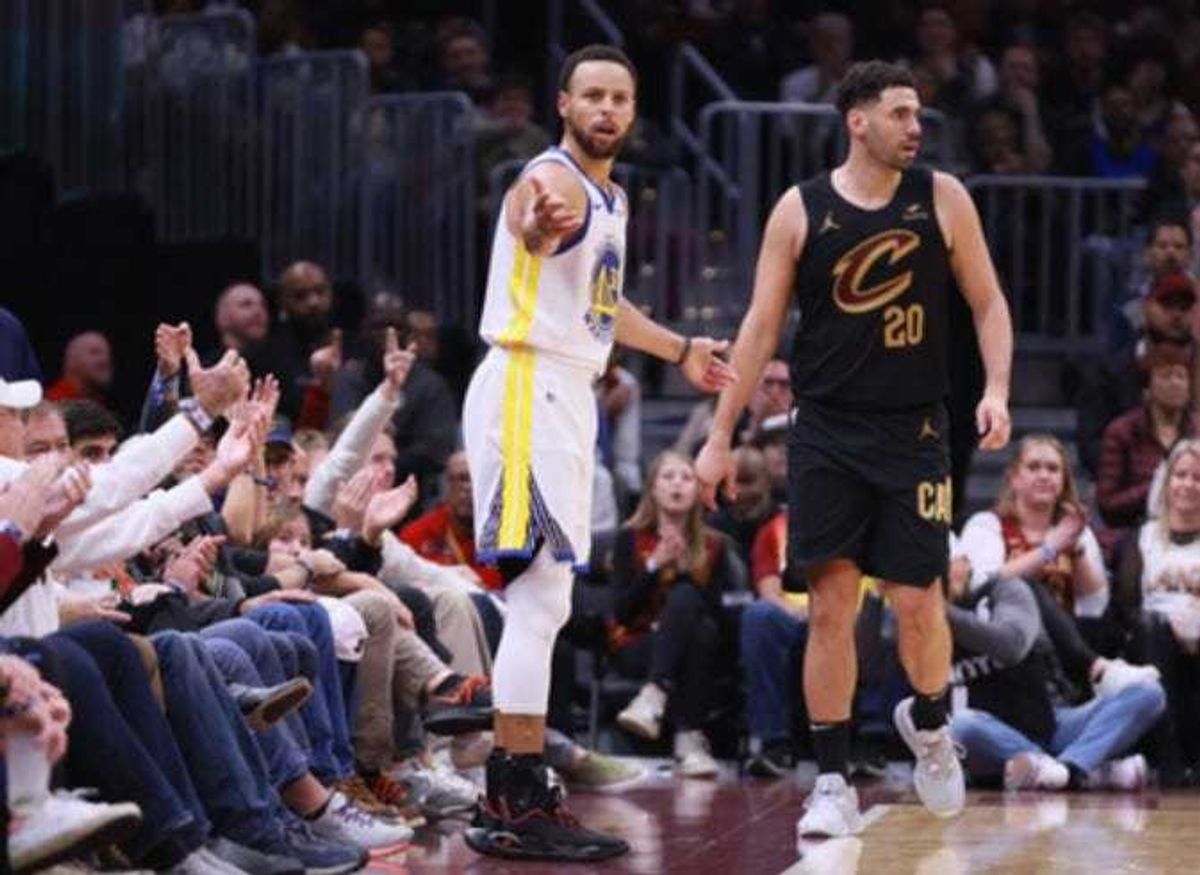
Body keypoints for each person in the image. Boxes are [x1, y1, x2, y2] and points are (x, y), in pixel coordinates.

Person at [695, 60, 1014, 839]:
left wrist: (997, 387)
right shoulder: (799, 210)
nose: (916, 128)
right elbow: (759, 329)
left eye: (920, 117)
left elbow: (988, 300)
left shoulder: (942, 197)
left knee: (916, 603)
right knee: (833, 606)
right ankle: (832, 779)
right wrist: (718, 436)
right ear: (858, 121)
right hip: (827, 430)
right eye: (902, 114)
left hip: (916, 429)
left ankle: (931, 723)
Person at [461, 44, 735, 862]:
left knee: (545, 602)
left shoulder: (611, 198)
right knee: (538, 600)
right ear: (564, 105)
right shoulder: (548, 180)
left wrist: (681, 346)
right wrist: (536, 229)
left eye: (620, 97)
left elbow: (604, 310)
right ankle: (514, 795)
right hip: (524, 383)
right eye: (593, 95)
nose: (607, 109)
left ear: (633, 110)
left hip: (567, 391)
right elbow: (531, 217)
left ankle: (520, 786)